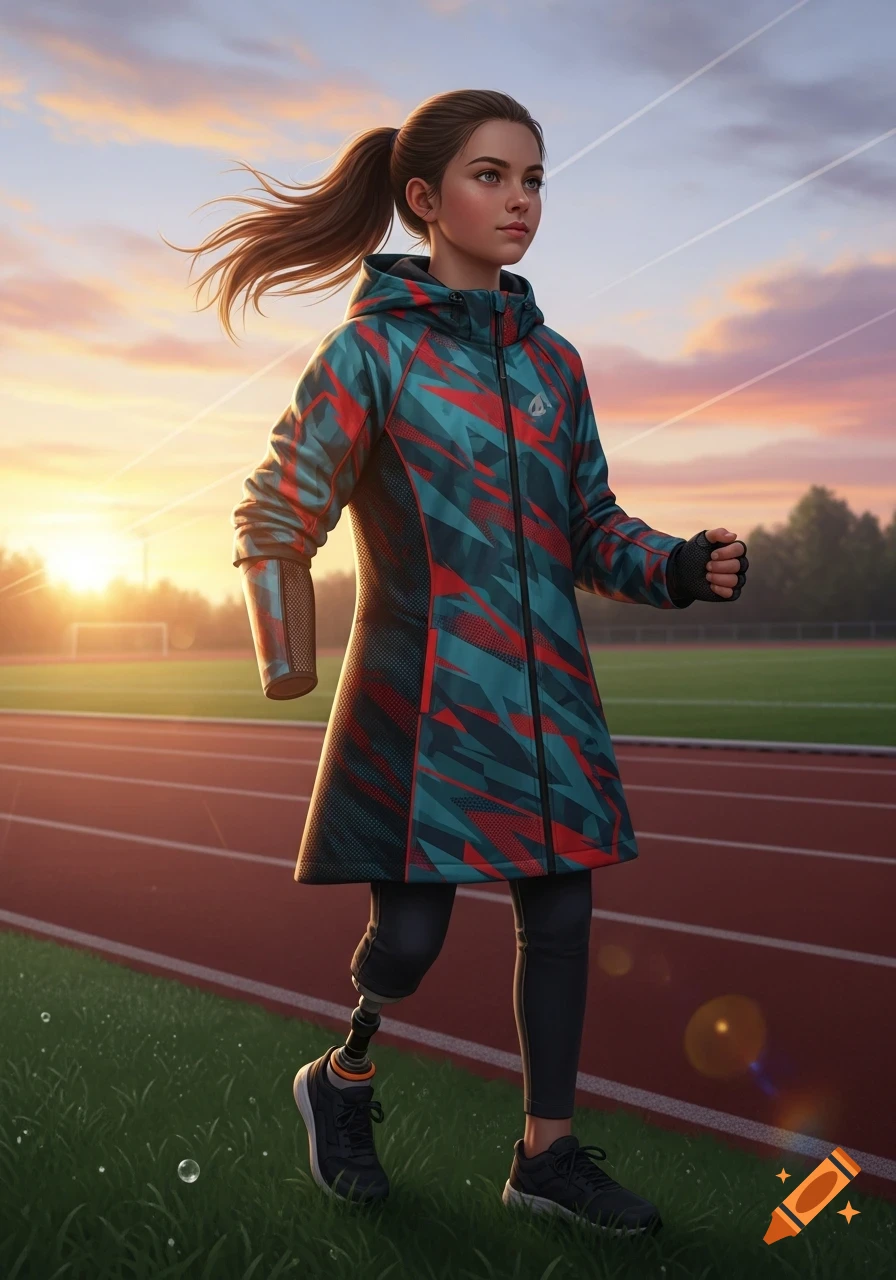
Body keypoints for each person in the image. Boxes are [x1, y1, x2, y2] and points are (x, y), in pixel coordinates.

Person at [168, 89, 749, 1236]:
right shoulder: (366, 355)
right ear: (425, 199)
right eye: (492, 177)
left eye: (534, 179)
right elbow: (275, 509)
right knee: (413, 940)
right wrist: (286, 651)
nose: (520, 200)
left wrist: (676, 563)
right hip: (422, 709)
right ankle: (341, 1080)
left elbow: (590, 526)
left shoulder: (556, 365)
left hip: (550, 705)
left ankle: (545, 1153)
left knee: (562, 909)